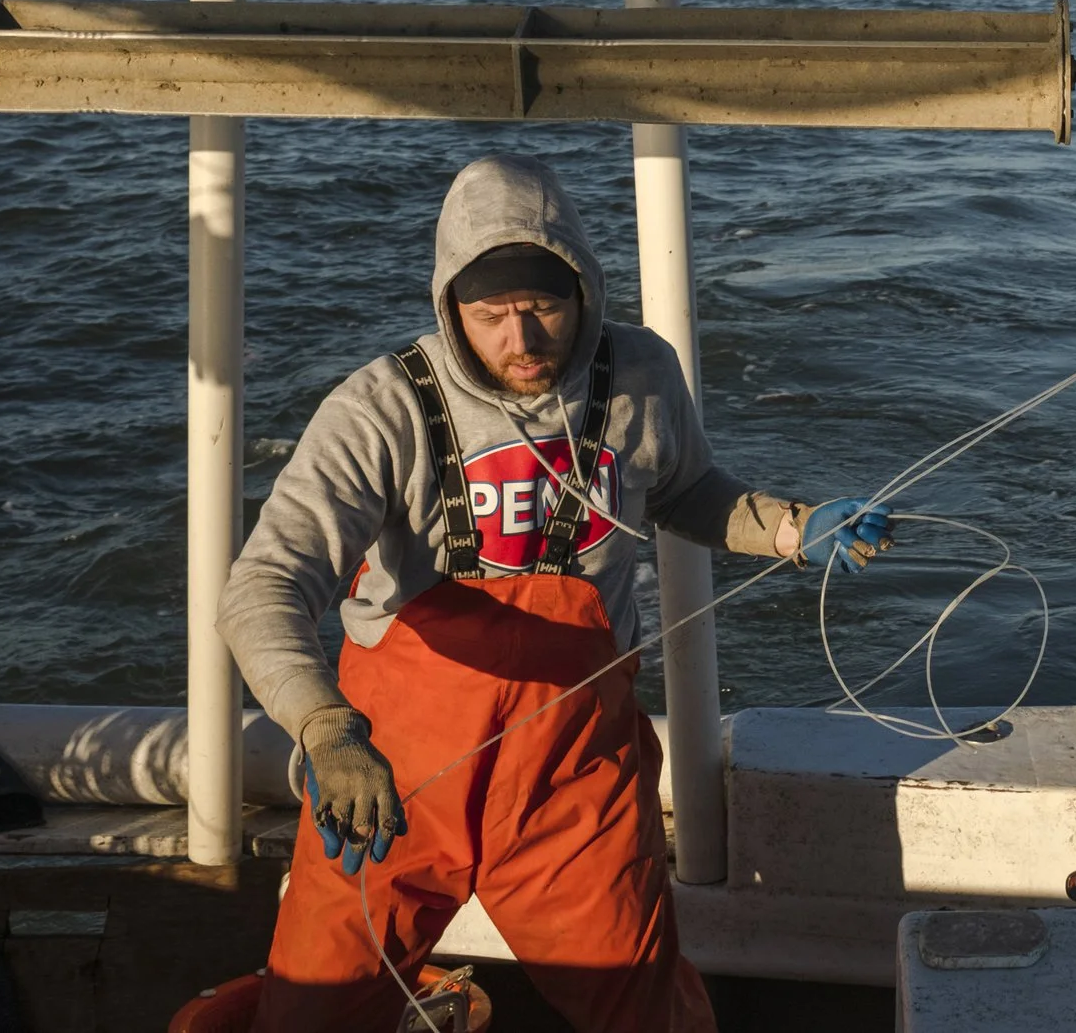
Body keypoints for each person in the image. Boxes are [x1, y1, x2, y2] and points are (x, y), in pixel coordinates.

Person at [220, 153, 892, 1032]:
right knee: (312, 1008)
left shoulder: (642, 376)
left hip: (573, 775)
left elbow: (686, 491)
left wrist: (791, 527)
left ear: (584, 289)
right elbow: (264, 584)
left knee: (641, 1008)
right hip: (390, 776)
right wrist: (326, 728)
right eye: (491, 315)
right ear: (450, 306)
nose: (523, 340)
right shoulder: (381, 407)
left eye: (542, 307)